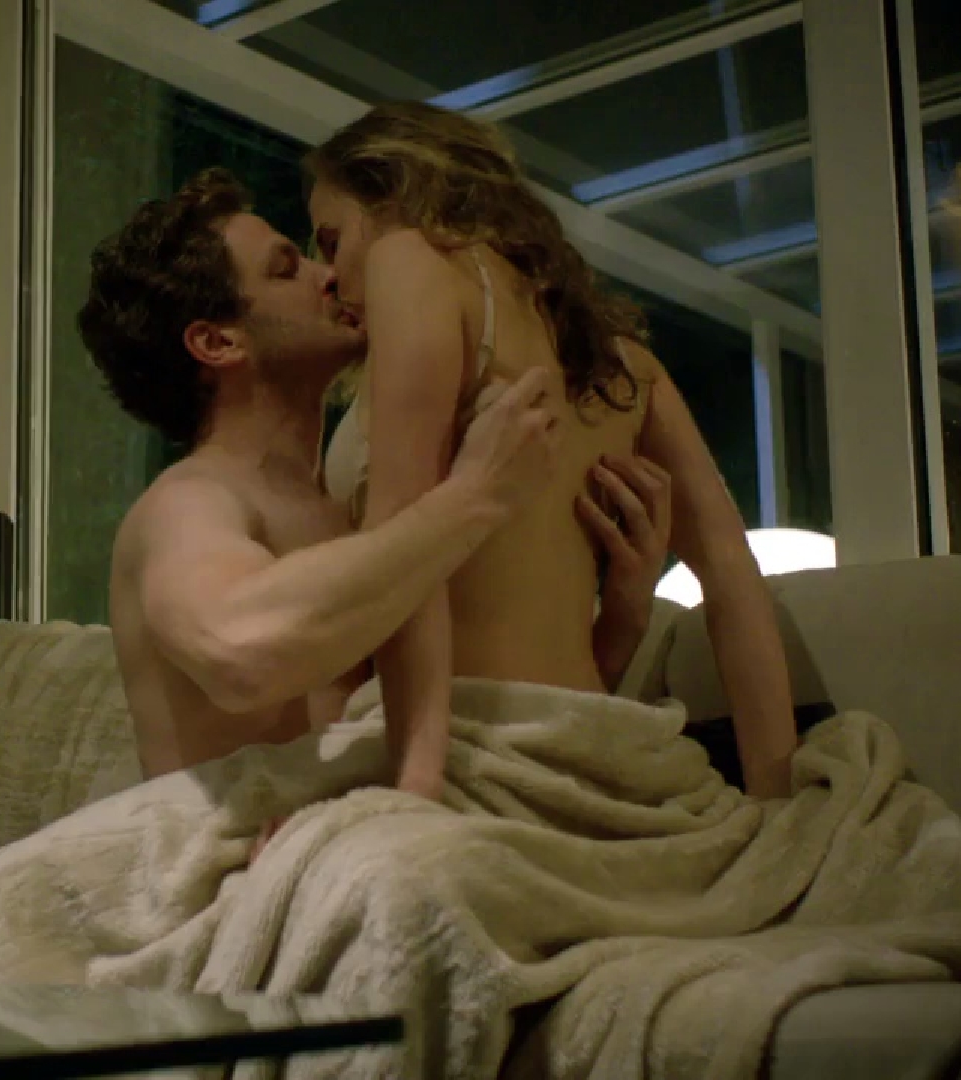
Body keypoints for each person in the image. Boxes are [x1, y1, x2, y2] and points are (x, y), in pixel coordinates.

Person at [76, 167, 673, 786]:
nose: (329, 275)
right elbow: (240, 652)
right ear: (217, 343)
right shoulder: (188, 503)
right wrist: (474, 497)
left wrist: (625, 613)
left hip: (356, 828)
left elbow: (471, 721)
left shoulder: (348, 514)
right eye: (286, 270)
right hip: (242, 845)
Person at [304, 101, 798, 800]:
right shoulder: (625, 369)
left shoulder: (408, 260)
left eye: (331, 241)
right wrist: (776, 793)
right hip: (602, 751)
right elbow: (732, 575)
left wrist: (408, 787)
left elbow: (400, 550)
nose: (328, 274)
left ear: (395, 192)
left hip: (464, 749)